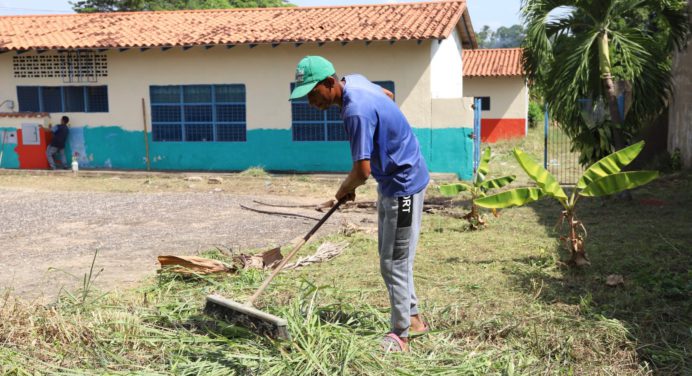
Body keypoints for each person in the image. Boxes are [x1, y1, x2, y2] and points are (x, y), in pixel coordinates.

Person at [290, 56, 430, 352]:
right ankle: (413, 318)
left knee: (395, 260)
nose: (311, 102)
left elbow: (362, 171)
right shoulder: (354, 81)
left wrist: (343, 189)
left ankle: (403, 333)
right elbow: (387, 95)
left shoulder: (355, 112)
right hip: (395, 179)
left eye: (313, 94)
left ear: (330, 83)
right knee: (391, 256)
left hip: (403, 185)